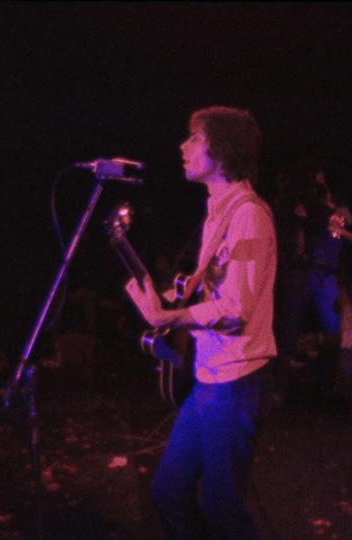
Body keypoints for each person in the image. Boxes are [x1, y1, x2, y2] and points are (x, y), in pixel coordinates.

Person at [125, 105, 276, 539]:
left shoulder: (248, 215)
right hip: (211, 376)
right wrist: (167, 298)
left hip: (236, 380)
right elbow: (213, 289)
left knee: (223, 512)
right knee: (169, 491)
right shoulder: (219, 212)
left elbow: (235, 307)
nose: (183, 146)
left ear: (221, 149)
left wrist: (167, 316)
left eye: (194, 138)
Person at [278, 159, 352, 404]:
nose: (318, 183)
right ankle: (280, 387)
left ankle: (326, 385)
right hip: (302, 270)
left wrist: (330, 207)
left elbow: (345, 221)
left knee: (332, 331)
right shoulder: (299, 203)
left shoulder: (334, 204)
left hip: (325, 273)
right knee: (287, 332)